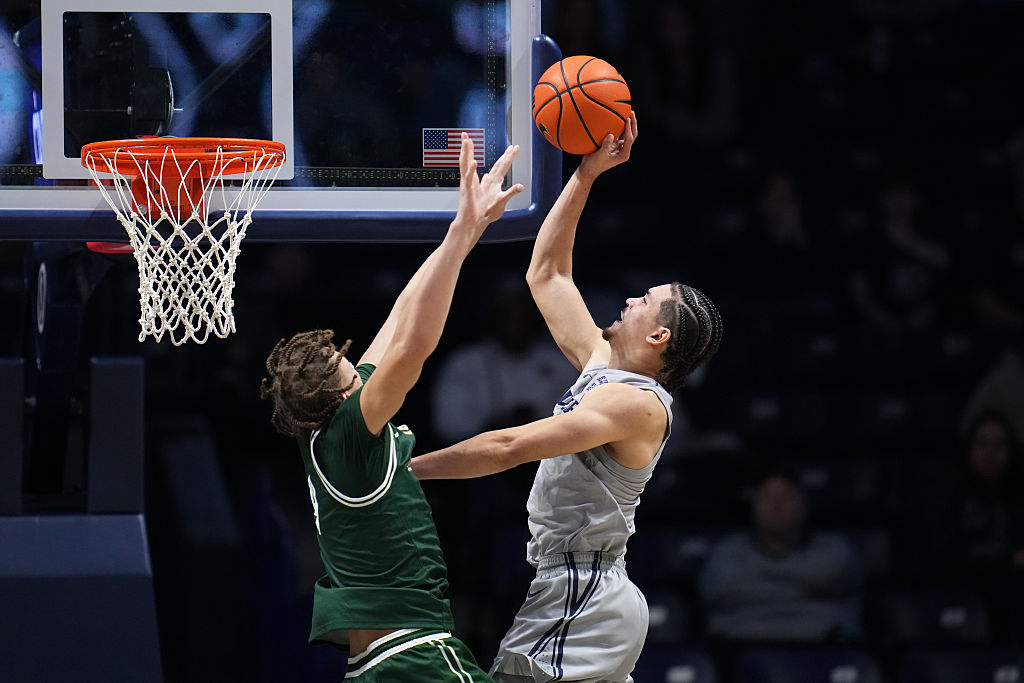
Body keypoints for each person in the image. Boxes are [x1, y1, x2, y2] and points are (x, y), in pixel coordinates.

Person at [412, 112, 724, 683]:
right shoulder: (603, 366)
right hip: (575, 588)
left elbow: (510, 445)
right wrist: (586, 174)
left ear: (659, 337)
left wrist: (404, 471)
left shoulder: (636, 405)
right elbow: (548, 275)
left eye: (645, 301)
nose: (630, 300)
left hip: (586, 592)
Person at [258, 134, 523, 680]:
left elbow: (403, 313)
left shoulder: (331, 430)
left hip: (382, 659)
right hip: (413, 655)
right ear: (341, 391)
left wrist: (464, 233)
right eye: (342, 360)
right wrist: (459, 234)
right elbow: (414, 346)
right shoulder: (352, 430)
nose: (350, 354)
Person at [697, 466, 864, 644]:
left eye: (786, 496)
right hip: (738, 644)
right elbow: (723, 590)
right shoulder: (727, 552)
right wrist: (802, 593)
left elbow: (837, 578)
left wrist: (756, 591)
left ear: (804, 503)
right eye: (767, 496)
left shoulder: (834, 548)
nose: (776, 505)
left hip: (826, 644)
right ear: (753, 504)